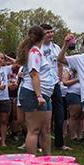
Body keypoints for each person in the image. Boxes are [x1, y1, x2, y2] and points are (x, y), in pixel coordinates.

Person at [16, 26, 55, 155]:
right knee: (34, 129)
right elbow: (34, 74)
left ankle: (47, 159)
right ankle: (32, 161)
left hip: (44, 94)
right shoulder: (34, 52)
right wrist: (39, 96)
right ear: (42, 37)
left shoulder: (38, 51)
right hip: (33, 94)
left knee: (46, 130)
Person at [40, 24, 70, 151]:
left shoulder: (56, 47)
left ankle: (59, 142)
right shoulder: (37, 47)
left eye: (52, 32)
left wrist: (58, 77)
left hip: (55, 83)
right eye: (47, 32)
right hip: (42, 83)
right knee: (42, 113)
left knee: (59, 113)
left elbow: (60, 62)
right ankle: (39, 143)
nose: (50, 34)